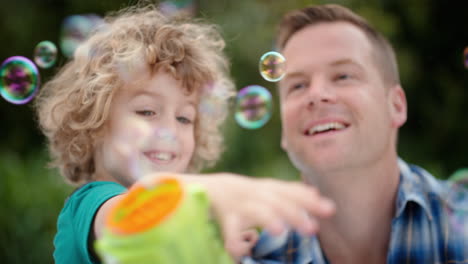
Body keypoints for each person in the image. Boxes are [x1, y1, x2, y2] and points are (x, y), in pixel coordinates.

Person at [34, 3, 335, 264]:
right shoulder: (92, 204)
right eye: (147, 112)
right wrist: (216, 191)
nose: (168, 131)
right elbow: (132, 218)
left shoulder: (179, 221)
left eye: (184, 118)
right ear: (94, 120)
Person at [240, 4, 468, 263]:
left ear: (396, 106)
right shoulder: (256, 256)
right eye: (298, 85)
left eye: (343, 76)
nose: (316, 95)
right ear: (283, 130)